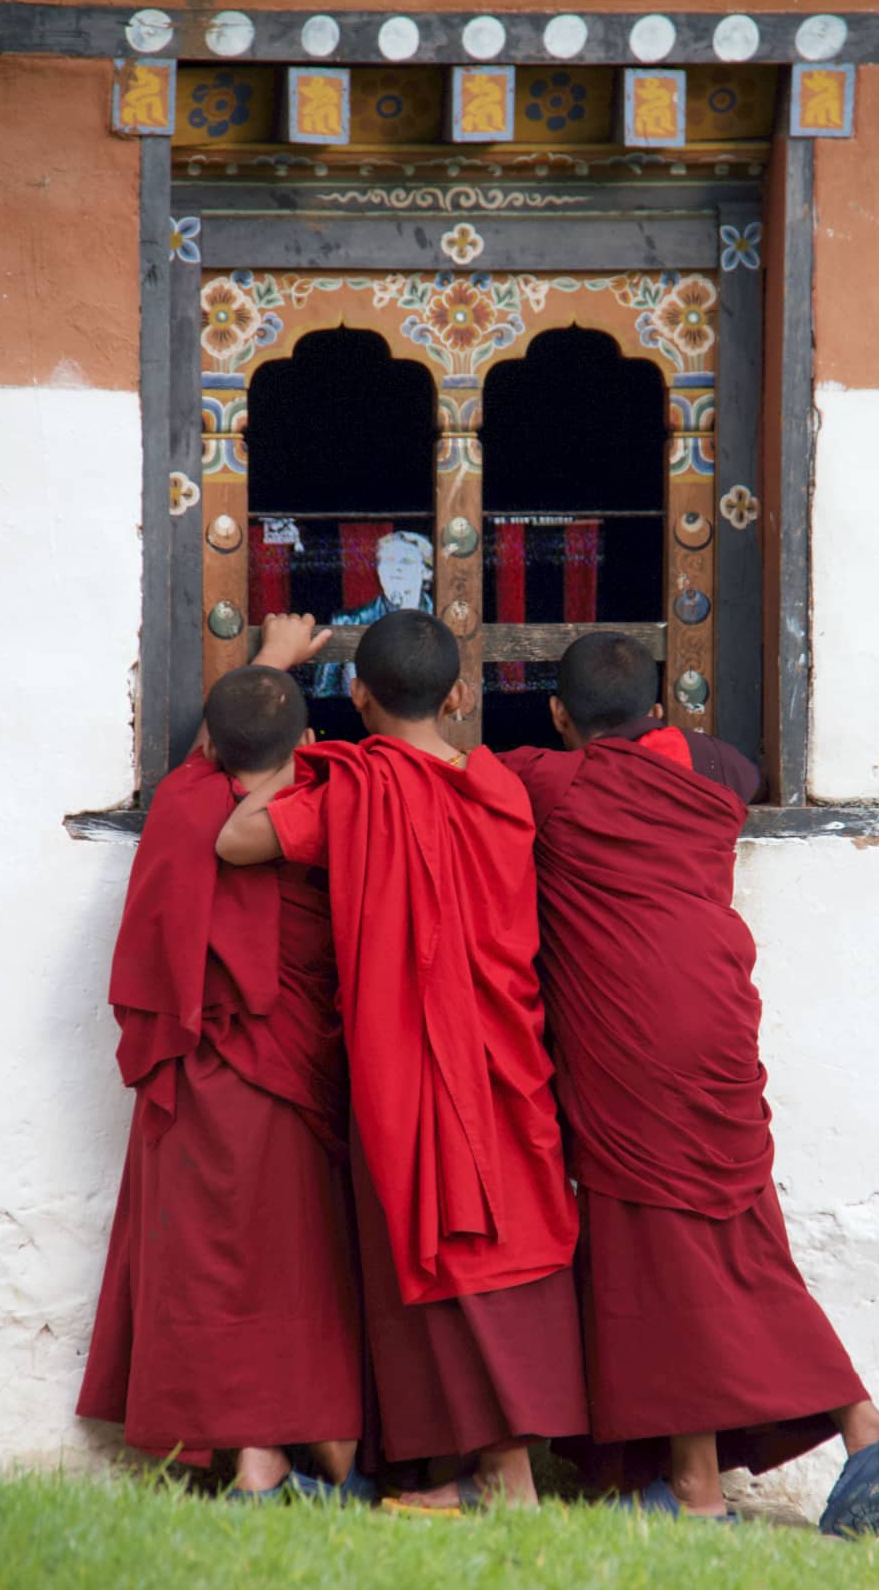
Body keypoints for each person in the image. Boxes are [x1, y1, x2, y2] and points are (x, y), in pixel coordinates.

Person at [500, 631, 879, 1536]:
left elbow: (467, 782)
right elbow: (740, 766)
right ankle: (859, 1423)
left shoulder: (552, 782)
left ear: (557, 715)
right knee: (737, 1233)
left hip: (634, 1039)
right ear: (658, 710)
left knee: (656, 1251)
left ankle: (700, 1489)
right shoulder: (710, 772)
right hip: (719, 1017)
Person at [216, 610, 588, 1512]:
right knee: (500, 1235)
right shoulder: (500, 787)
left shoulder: (354, 789)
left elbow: (235, 841)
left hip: (415, 1058)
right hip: (504, 1051)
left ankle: (500, 1483)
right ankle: (488, 1474)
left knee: (445, 1237)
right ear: (461, 695)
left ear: (359, 693)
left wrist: (308, 755)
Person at [77, 655, 371, 1502]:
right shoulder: (324, 807)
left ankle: (254, 1457)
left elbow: (220, 758)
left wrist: (265, 667)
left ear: (211, 743)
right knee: (301, 1262)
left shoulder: (180, 804)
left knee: (211, 1261)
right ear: (307, 740)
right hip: (291, 1071)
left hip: (198, 1077)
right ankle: (305, 1457)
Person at [313, 530, 434, 698]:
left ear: (427, 572)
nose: (396, 568)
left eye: (406, 561)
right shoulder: (348, 622)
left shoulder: (446, 620)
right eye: (388, 560)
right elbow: (324, 694)